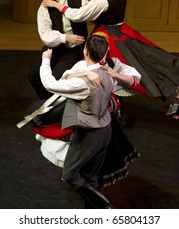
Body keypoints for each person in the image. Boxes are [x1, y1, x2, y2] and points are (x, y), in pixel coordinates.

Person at [18, 34, 141, 208]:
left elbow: (50, 84)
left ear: (85, 51)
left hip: (89, 132)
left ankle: (104, 207)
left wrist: (46, 60)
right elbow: (133, 79)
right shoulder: (108, 72)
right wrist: (94, 73)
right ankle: (93, 213)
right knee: (91, 176)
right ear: (105, 53)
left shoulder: (84, 80)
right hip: (105, 129)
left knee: (70, 175)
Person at [41, 0, 179, 119]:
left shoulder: (103, 2)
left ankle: (106, 102)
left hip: (108, 36)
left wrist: (56, 5)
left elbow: (78, 15)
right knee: (144, 60)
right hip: (120, 31)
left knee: (103, 67)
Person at [27, 0, 88, 99]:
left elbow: (95, 15)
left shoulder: (80, 2)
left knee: (55, 79)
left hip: (73, 49)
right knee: (34, 74)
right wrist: (66, 37)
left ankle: (54, 109)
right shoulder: (45, 6)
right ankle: (46, 103)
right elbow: (45, 35)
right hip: (54, 46)